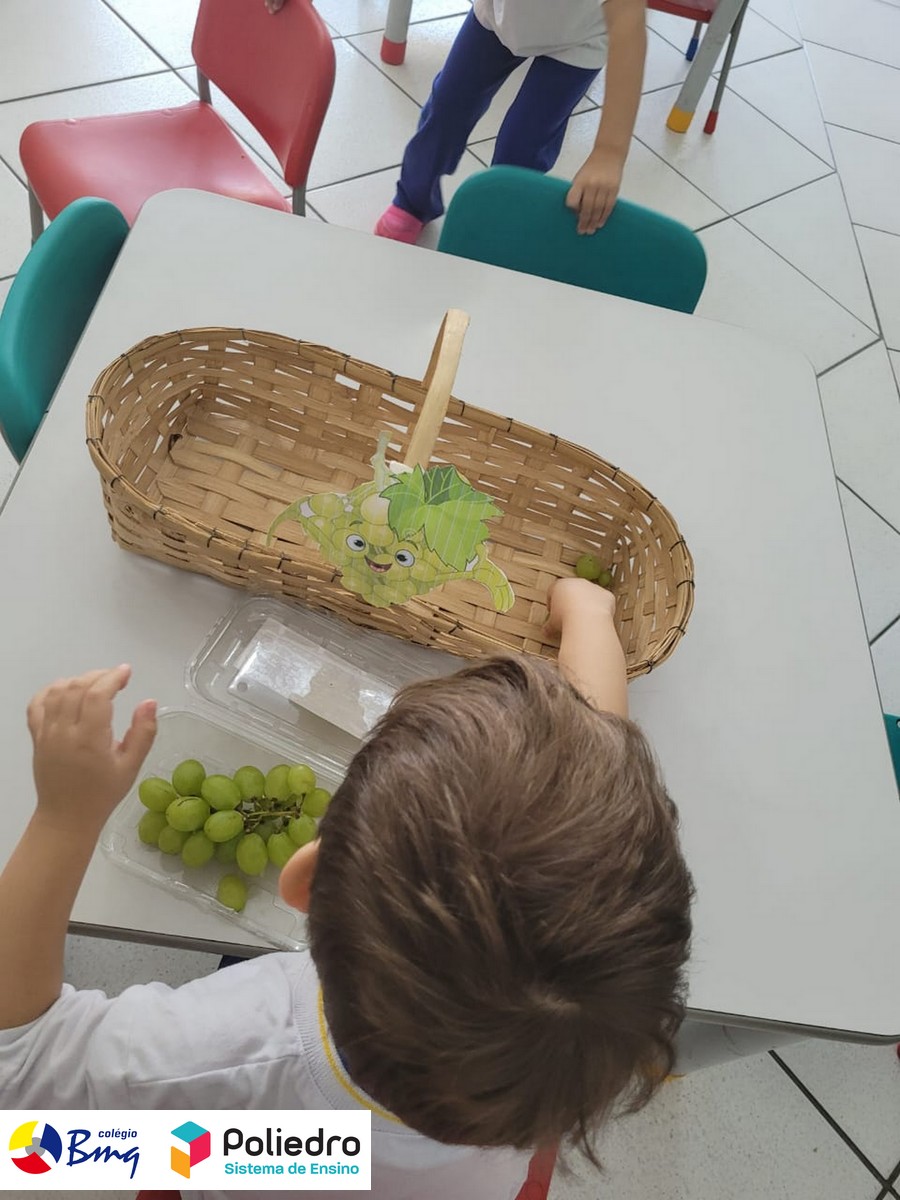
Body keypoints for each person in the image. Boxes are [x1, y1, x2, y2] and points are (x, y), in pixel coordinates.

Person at [0, 578, 692, 1200]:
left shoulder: (230, 1049)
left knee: (171, 1149)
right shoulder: (552, 1066)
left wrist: (64, 818)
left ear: (302, 878)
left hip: (267, 1154)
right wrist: (591, 618)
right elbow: (594, 789)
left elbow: (22, 1098)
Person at [374, 0, 647, 243]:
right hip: (501, 16)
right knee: (448, 106)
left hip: (580, 37)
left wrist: (609, 153)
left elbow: (629, 31)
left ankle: (497, 221)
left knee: (524, 144)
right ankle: (414, 200)